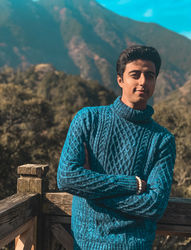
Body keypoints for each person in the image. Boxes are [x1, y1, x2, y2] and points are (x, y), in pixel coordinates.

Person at [57, 45, 176, 250]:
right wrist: (131, 184)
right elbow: (67, 178)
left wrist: (91, 189)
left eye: (150, 75)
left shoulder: (163, 139)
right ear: (120, 79)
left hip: (134, 245)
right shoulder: (88, 119)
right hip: (86, 243)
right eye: (135, 74)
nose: (143, 82)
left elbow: (154, 205)